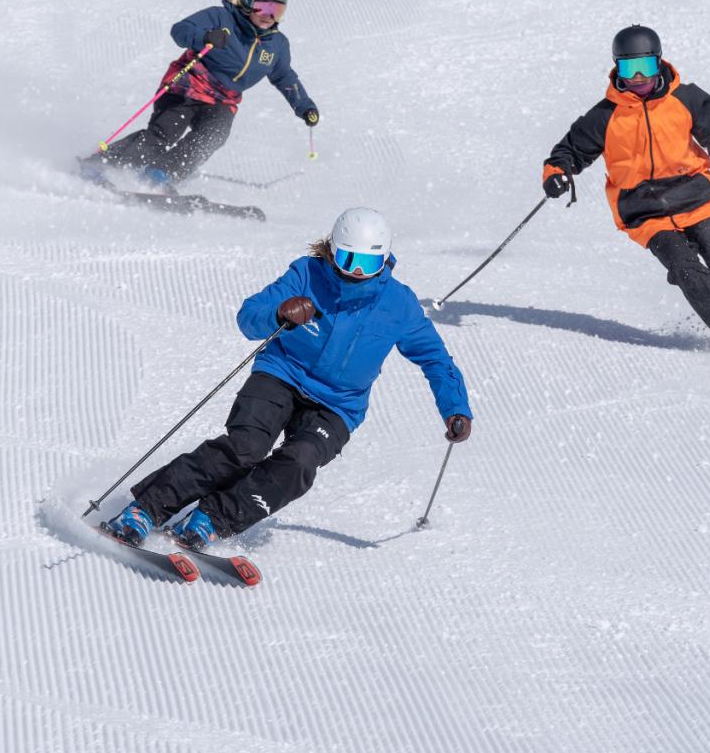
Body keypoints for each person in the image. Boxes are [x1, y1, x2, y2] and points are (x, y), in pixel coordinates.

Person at [100, 207, 473, 549]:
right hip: (281, 374)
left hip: (338, 405)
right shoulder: (307, 274)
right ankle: (146, 508)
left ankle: (211, 518)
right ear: (332, 251)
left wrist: (455, 407)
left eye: (368, 262)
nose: (357, 271)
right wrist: (279, 313)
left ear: (385, 258)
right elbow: (249, 316)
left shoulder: (399, 304)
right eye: (348, 259)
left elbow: (435, 359)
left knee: (299, 464)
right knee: (246, 447)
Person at [539, 25, 710, 362]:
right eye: (629, 68)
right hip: (645, 213)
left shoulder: (686, 98)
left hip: (696, 199)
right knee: (685, 268)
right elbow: (567, 152)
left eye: (646, 66)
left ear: (660, 63)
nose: (639, 76)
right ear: (617, 69)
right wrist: (557, 174)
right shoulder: (605, 116)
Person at [82, 0, 319, 191]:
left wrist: (304, 106)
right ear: (246, 2)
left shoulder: (277, 44)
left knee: (213, 136)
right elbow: (180, 31)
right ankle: (104, 163)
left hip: (224, 99)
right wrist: (205, 37)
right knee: (165, 132)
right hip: (188, 85)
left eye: (276, 10)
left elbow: (284, 77)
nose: (269, 15)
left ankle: (162, 174)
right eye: (262, 6)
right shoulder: (220, 17)